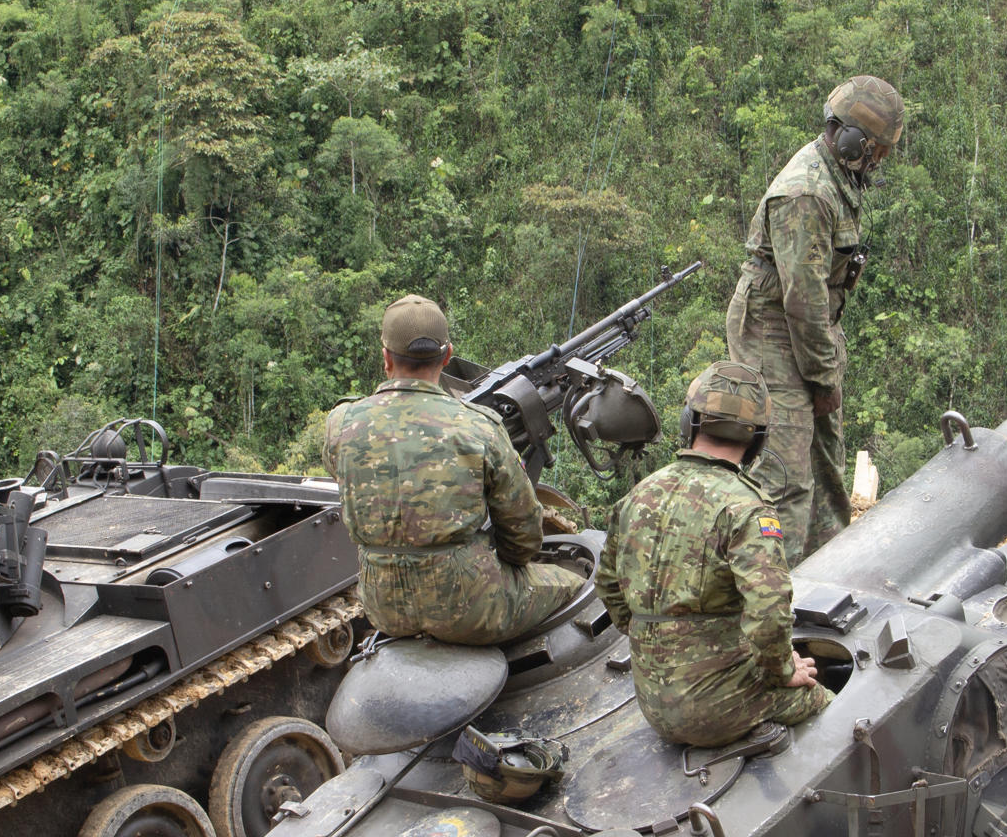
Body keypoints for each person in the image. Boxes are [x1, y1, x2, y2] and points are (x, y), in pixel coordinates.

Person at [595, 361, 831, 748]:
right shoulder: (748, 508)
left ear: (690, 422)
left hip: (652, 703)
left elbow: (609, 589)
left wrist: (659, 641)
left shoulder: (638, 495)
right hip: (717, 711)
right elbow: (770, 613)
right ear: (757, 440)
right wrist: (782, 669)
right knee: (837, 707)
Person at [323, 294, 582, 644]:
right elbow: (523, 535)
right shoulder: (479, 426)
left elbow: (343, 470)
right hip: (470, 610)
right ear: (447, 356)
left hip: (385, 609)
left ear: (386, 359)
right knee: (576, 580)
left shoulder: (341, 423)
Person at [726, 74, 905, 562]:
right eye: (877, 151)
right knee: (786, 477)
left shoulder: (839, 176)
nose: (880, 162)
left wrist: (827, 372)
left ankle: (828, 575)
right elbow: (801, 302)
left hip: (814, 329)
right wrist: (823, 380)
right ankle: (773, 598)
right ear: (850, 140)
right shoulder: (807, 194)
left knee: (826, 465)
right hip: (774, 333)